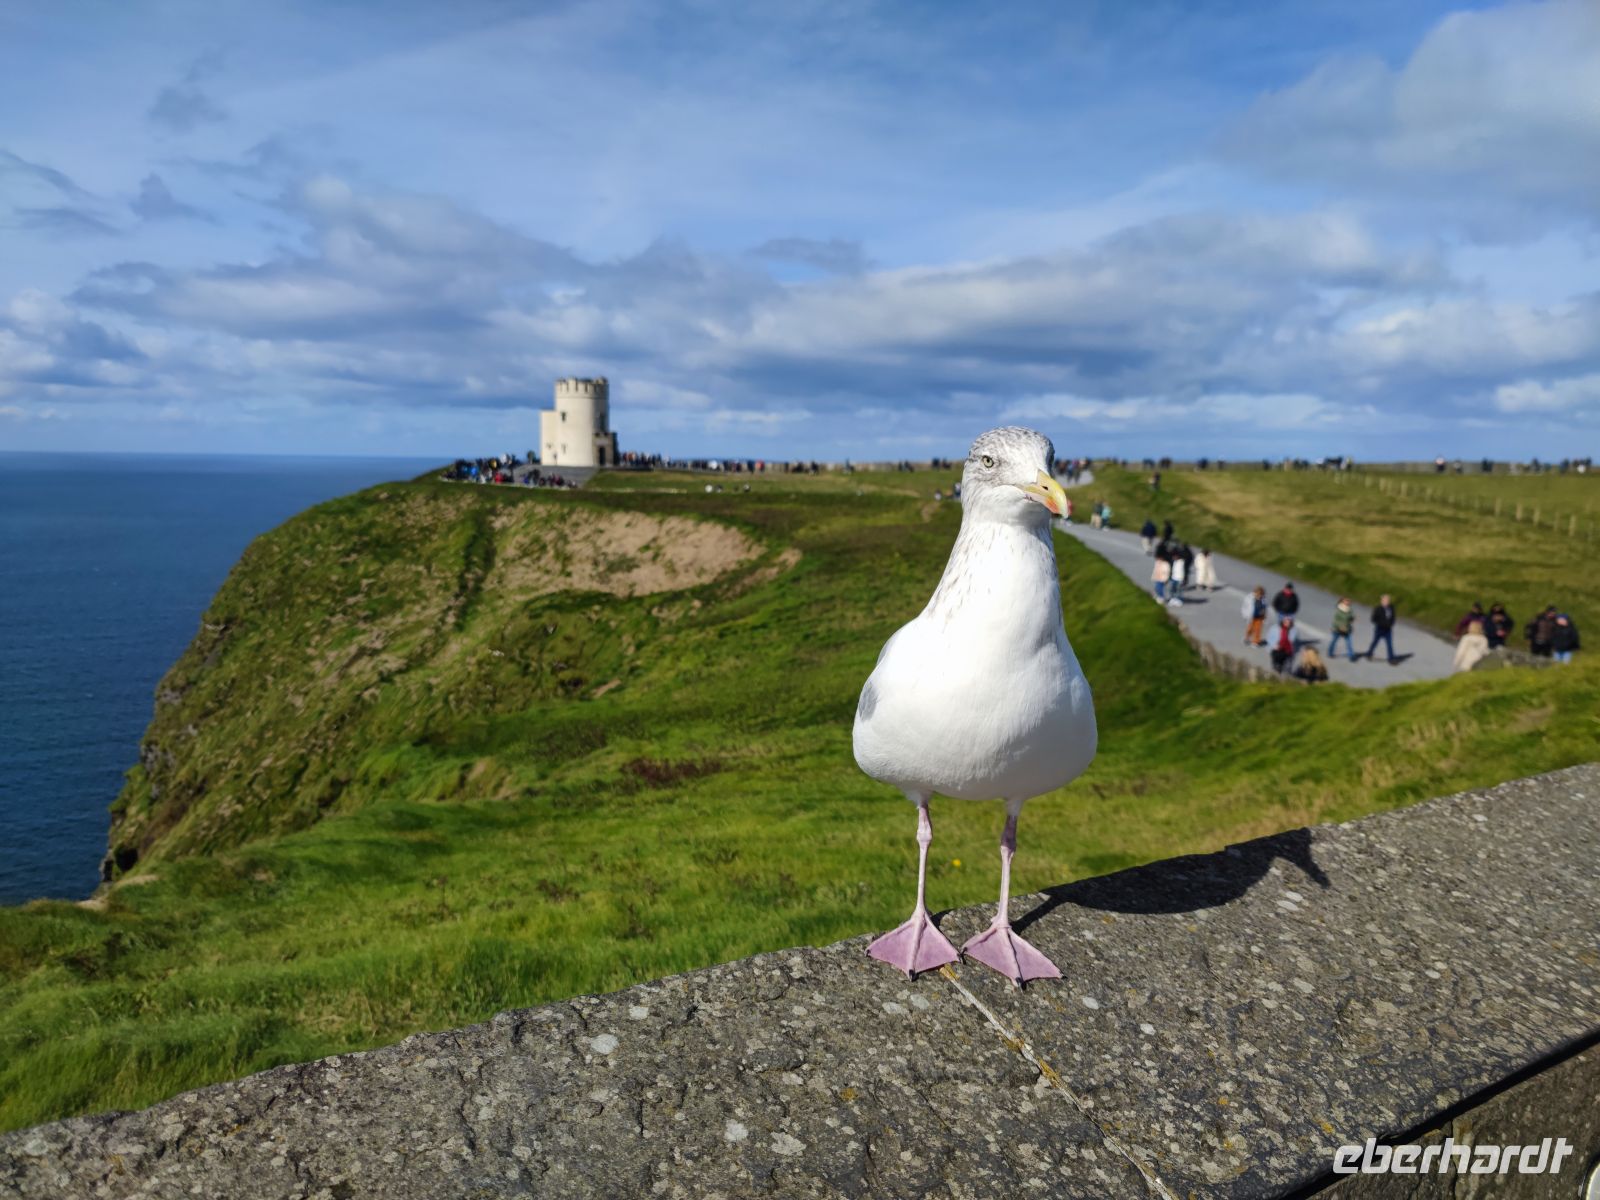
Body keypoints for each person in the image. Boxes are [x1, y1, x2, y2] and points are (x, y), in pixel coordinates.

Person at [1367, 594, 1398, 663]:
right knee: (1375, 642)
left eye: (1388, 600)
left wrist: (1391, 623)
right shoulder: (1378, 608)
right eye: (1385, 600)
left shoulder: (1391, 608)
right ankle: (1369, 653)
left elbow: (1393, 617)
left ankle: (1391, 659)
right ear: (1382, 601)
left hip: (1388, 630)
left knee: (1389, 644)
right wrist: (1380, 623)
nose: (1387, 602)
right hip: (1379, 629)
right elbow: (1373, 619)